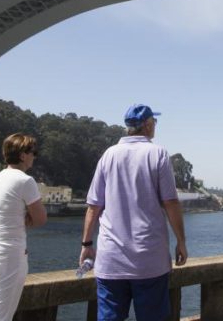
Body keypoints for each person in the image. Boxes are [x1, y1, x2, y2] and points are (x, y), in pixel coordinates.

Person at [79, 104, 187, 321]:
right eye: (154, 121)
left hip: (111, 259)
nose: (155, 125)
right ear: (147, 125)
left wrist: (87, 244)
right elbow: (171, 202)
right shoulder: (158, 154)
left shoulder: (109, 155)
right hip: (149, 259)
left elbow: (94, 206)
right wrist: (181, 242)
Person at [0, 133, 47, 321]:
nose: (34, 156)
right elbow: (40, 219)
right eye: (33, 152)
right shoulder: (25, 180)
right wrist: (25, 217)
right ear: (22, 155)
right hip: (7, 257)